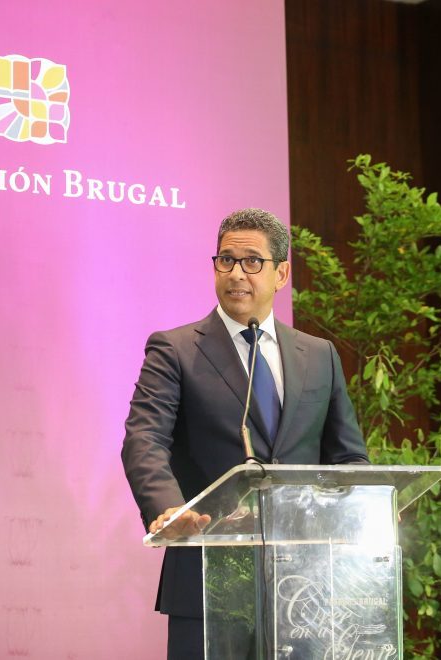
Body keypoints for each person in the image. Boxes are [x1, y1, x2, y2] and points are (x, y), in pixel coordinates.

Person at [121, 208, 369, 659]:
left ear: (281, 274)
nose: (237, 273)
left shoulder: (320, 355)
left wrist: (366, 506)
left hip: (306, 587)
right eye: (226, 260)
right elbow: (144, 439)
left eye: (252, 261)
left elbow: (348, 457)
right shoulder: (175, 350)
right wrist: (169, 509)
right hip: (206, 579)